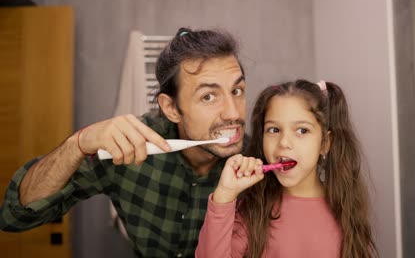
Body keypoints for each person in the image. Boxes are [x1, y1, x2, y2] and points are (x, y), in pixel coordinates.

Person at [0, 27, 248, 257]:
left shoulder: (259, 160)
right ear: (171, 108)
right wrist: (78, 143)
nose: (233, 113)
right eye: (208, 96)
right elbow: (16, 217)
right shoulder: (128, 148)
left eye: (237, 91)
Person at [196, 80, 379, 257]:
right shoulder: (254, 211)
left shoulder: (346, 213)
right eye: (274, 130)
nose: (284, 142)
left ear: (325, 143)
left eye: (302, 131)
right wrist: (225, 195)